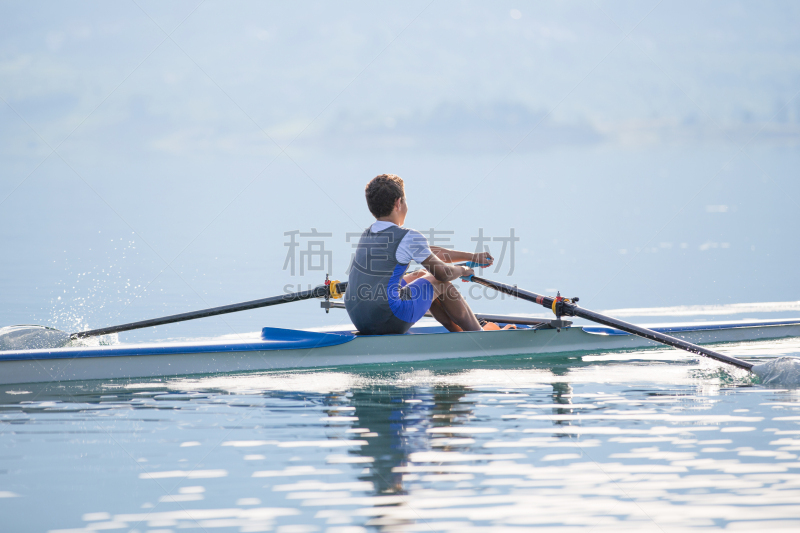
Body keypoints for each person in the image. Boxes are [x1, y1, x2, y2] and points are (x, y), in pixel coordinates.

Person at [345, 174, 493, 335]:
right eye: (405, 200)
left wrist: (471, 256)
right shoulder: (408, 236)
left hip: (358, 318)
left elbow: (429, 253)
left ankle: (457, 333)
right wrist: (464, 270)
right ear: (398, 203)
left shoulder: (368, 233)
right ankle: (478, 335)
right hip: (388, 319)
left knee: (422, 274)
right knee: (439, 282)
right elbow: (443, 274)